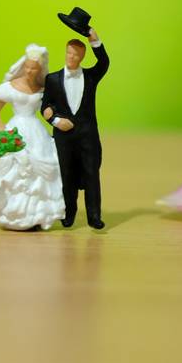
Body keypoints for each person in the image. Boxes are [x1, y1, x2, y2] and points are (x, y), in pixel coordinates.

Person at [0, 44, 63, 231]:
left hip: (36, 131)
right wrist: (2, 130)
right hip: (16, 129)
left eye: (34, 68)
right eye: (28, 67)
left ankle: (36, 214)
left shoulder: (42, 89)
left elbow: (48, 110)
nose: (30, 71)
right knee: (14, 169)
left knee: (39, 170)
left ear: (40, 69)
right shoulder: (9, 87)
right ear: (23, 66)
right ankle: (13, 211)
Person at [42, 28, 110, 229]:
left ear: (82, 57)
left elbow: (104, 63)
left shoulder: (90, 76)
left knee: (92, 174)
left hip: (88, 135)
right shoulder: (52, 79)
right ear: (65, 53)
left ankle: (94, 216)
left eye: (76, 54)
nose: (72, 57)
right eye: (69, 53)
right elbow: (45, 106)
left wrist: (94, 39)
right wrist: (55, 120)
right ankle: (68, 212)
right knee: (67, 174)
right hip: (64, 137)